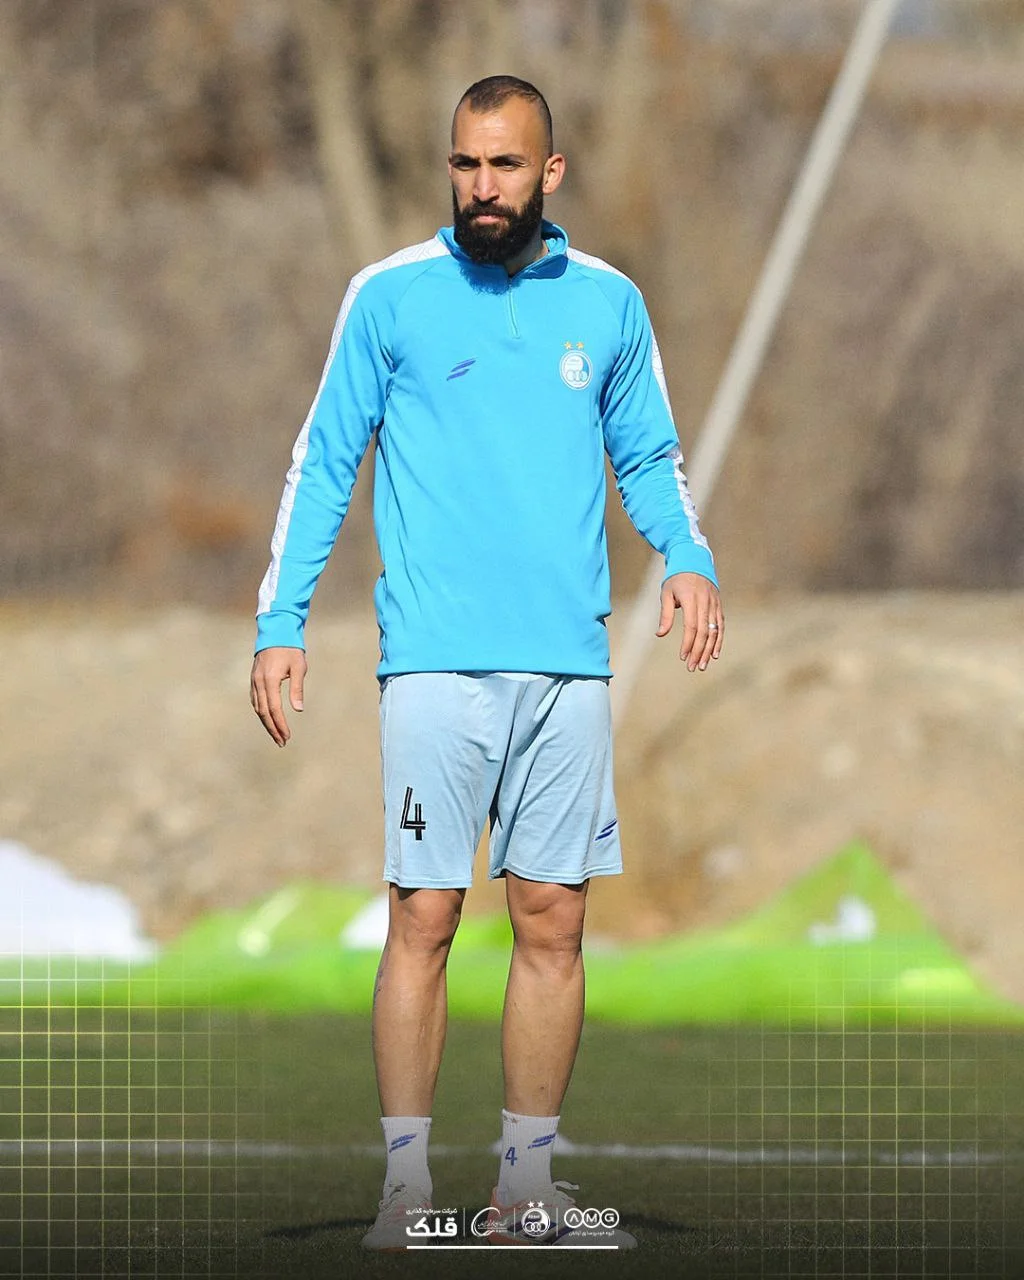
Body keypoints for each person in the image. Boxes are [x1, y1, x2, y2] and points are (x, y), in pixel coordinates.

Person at [250, 74, 724, 1250]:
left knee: (552, 918)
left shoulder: (608, 302)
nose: (482, 186)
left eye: (505, 164)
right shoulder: (390, 295)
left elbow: (648, 454)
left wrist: (685, 557)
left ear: (548, 172)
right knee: (425, 913)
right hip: (435, 662)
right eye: (465, 163)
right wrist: (281, 618)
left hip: (567, 665)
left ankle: (525, 1189)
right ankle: (405, 1192)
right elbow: (324, 461)